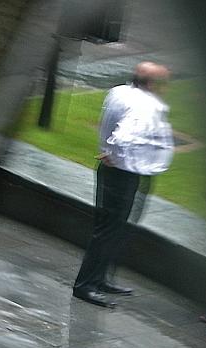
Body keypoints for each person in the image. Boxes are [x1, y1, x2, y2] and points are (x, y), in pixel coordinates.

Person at [72, 61, 173, 308]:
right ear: (152, 84)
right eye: (163, 83)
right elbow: (124, 134)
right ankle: (85, 285)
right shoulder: (146, 105)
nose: (166, 89)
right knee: (109, 231)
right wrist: (114, 153)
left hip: (111, 171)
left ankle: (100, 279)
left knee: (107, 227)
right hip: (123, 173)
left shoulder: (120, 91)